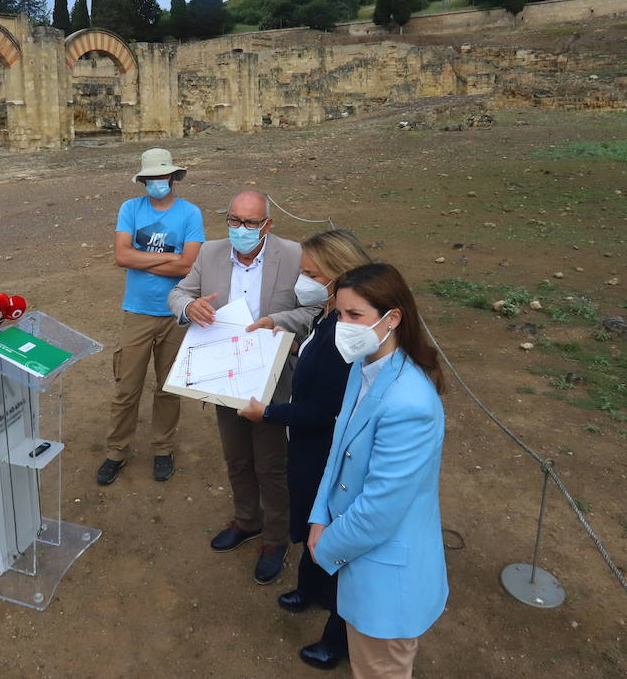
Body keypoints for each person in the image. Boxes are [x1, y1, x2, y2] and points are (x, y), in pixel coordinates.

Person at [168, 190, 318, 584]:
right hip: (222, 370)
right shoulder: (211, 253)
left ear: (267, 224)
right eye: (234, 220)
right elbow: (178, 292)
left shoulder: (293, 254)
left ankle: (275, 537)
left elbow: (314, 307)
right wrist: (189, 307)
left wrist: (279, 321)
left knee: (271, 462)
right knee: (236, 456)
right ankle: (247, 520)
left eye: (251, 223)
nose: (241, 229)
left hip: (272, 373)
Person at [238, 229, 371, 670]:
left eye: (312, 274)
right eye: (303, 271)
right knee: (311, 518)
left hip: (328, 450)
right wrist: (280, 327)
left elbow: (320, 410)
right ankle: (309, 588)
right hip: (311, 447)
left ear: (339, 275)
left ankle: (338, 631)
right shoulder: (327, 313)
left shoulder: (347, 334)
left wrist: (270, 415)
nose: (304, 281)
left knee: (330, 530)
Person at [308, 263, 448, 678]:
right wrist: (319, 516)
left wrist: (325, 548)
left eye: (355, 316)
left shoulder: (410, 405)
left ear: (393, 318)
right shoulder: (366, 366)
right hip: (359, 555)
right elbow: (338, 452)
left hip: (387, 581)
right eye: (339, 314)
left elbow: (379, 509)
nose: (342, 326)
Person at [97, 148, 204, 485]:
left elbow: (189, 265)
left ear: (173, 177)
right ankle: (116, 450)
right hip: (137, 312)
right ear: (144, 180)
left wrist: (138, 256)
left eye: (163, 176)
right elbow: (120, 256)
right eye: (151, 178)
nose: (158, 182)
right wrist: (167, 260)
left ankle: (163, 448)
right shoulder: (130, 208)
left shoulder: (190, 213)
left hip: (176, 312)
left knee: (168, 387)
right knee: (126, 387)